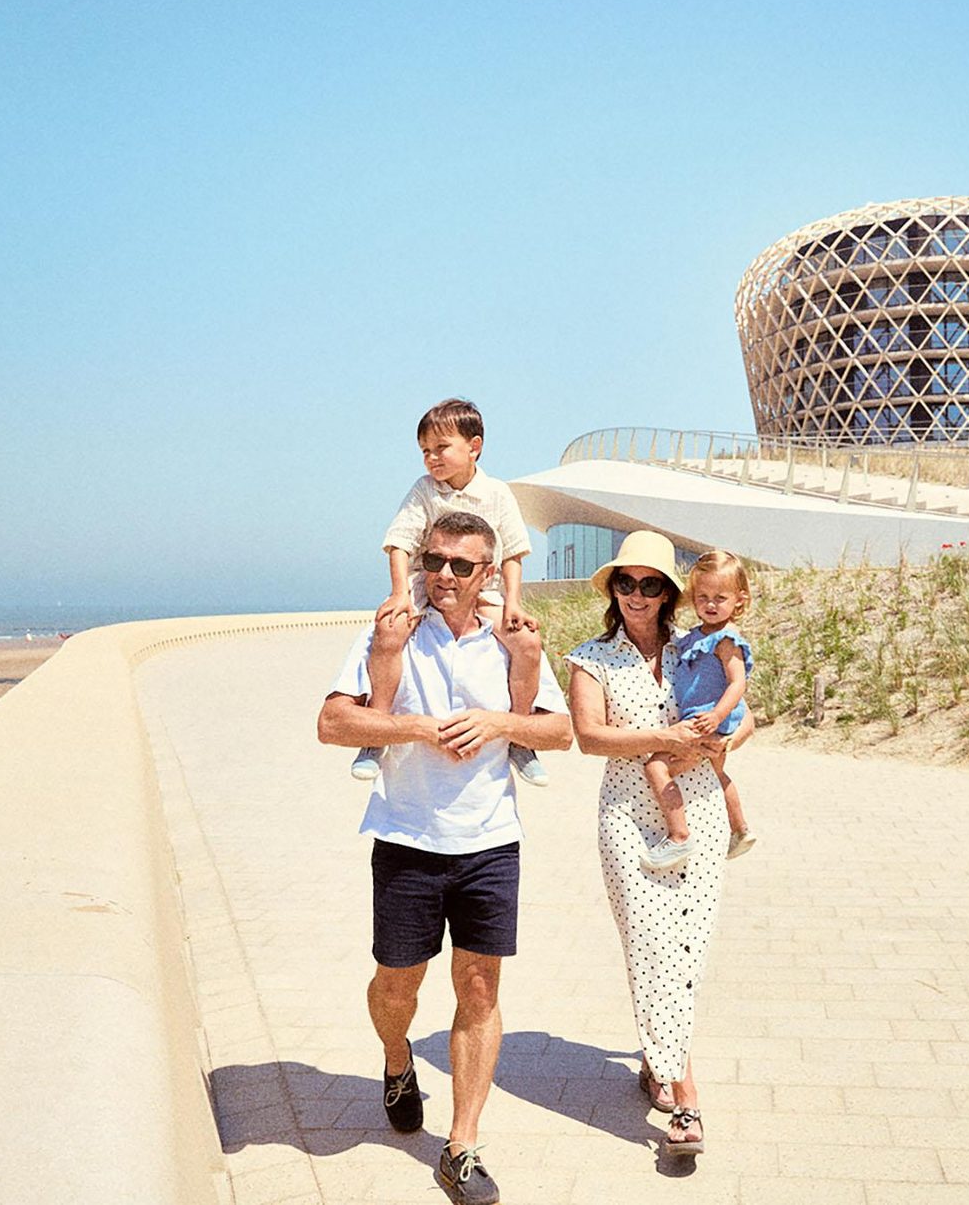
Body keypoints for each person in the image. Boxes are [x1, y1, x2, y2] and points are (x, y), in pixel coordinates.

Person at [317, 510, 572, 1204]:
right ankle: (397, 1059)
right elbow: (333, 722)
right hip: (407, 835)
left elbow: (559, 730)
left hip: (490, 840)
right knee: (398, 984)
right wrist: (418, 728)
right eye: (435, 560)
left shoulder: (510, 640)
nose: (445, 575)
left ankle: (461, 1145)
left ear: (489, 572)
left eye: (463, 565)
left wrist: (498, 722)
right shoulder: (392, 631)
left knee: (480, 986)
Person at [565, 530, 753, 1158]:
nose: (637, 595)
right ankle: (686, 1097)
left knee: (687, 950)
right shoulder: (591, 657)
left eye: (650, 584)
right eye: (626, 583)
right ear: (612, 590)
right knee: (651, 946)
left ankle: (658, 1056)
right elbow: (589, 738)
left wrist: (728, 740)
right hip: (627, 815)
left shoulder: (699, 643)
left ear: (670, 591)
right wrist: (665, 736)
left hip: (697, 810)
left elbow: (745, 710)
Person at [351, 399, 548, 787]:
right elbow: (400, 543)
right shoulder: (425, 490)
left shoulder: (498, 493)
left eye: (441, 448)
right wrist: (400, 595)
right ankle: (377, 731)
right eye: (425, 451)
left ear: (474, 446)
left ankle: (521, 736)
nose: (431, 458)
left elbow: (513, 553)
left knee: (526, 643)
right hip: (427, 582)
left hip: (483, 587)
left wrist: (513, 603)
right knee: (390, 631)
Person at [641, 550, 757, 871]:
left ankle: (679, 835)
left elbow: (737, 684)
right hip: (703, 718)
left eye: (720, 597)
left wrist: (718, 717)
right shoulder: (695, 636)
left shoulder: (726, 640)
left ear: (739, 600)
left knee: (656, 768)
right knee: (717, 773)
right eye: (702, 596)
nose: (710, 604)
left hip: (707, 720)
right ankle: (740, 828)